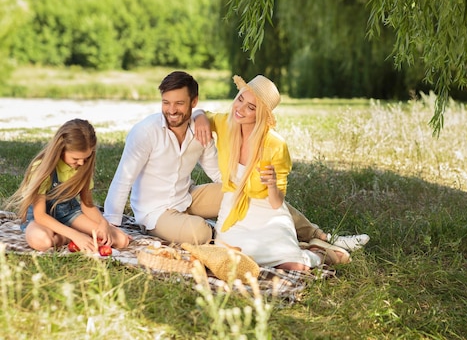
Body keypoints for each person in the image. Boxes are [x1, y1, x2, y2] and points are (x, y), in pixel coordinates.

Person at [103, 71, 368, 252]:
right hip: (155, 212)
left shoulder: (200, 129)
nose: (172, 110)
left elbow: (218, 173)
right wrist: (112, 226)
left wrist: (246, 190)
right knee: (202, 234)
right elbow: (122, 179)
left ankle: (319, 236)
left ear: (193, 102)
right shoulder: (145, 132)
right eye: (166, 103)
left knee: (254, 191)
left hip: (187, 198)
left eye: (180, 104)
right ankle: (263, 242)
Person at [202, 74, 345, 270]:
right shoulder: (226, 124)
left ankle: (318, 254)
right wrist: (200, 117)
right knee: (233, 262)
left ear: (260, 114)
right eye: (241, 99)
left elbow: (277, 202)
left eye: (251, 107)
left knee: (294, 266)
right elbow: (202, 115)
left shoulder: (276, 145)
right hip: (234, 212)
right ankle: (302, 246)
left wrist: (272, 184)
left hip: (267, 214)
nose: (240, 109)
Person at [5, 119, 130, 252]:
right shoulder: (42, 169)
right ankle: (69, 237)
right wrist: (75, 235)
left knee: (121, 240)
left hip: (69, 214)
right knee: (42, 241)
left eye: (86, 158)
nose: (81, 163)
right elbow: (40, 216)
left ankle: (71, 235)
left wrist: (103, 223)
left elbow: (87, 204)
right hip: (41, 220)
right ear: (60, 149)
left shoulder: (83, 166)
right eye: (76, 159)